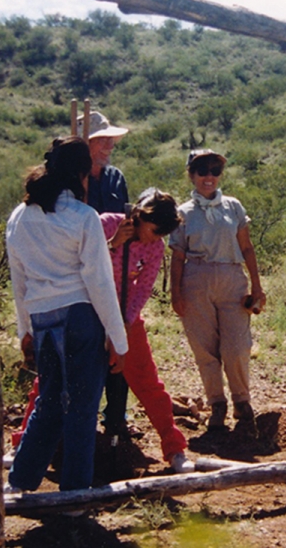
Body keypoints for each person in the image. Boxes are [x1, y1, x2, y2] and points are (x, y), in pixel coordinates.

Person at [5, 136, 128, 492]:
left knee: (49, 402)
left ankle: (21, 481)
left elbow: (19, 277)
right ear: (80, 174)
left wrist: (24, 328)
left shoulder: (20, 216)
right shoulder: (83, 217)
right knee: (82, 407)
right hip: (79, 316)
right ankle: (75, 492)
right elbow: (100, 283)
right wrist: (118, 340)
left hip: (42, 317)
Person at [169, 149, 266, 430]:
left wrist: (257, 286)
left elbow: (246, 248)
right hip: (196, 280)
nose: (208, 177)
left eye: (214, 170)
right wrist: (176, 294)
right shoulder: (183, 213)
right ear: (192, 175)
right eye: (202, 171)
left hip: (231, 279)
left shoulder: (233, 206)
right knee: (204, 348)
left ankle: (241, 399)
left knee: (236, 346)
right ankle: (217, 403)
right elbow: (177, 256)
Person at [102, 189, 194, 473]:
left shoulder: (154, 247)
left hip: (125, 317)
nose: (155, 238)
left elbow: (143, 287)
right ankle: (24, 447)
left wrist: (126, 323)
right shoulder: (106, 223)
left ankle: (174, 449)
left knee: (147, 382)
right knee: (56, 380)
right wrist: (113, 243)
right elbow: (80, 262)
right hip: (89, 313)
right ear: (140, 216)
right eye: (154, 230)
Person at [79, 109, 132, 437]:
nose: (110, 144)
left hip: (115, 276)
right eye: (102, 140)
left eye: (110, 139)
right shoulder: (68, 179)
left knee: (117, 341)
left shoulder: (115, 178)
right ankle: (79, 423)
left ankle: (116, 422)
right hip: (79, 278)